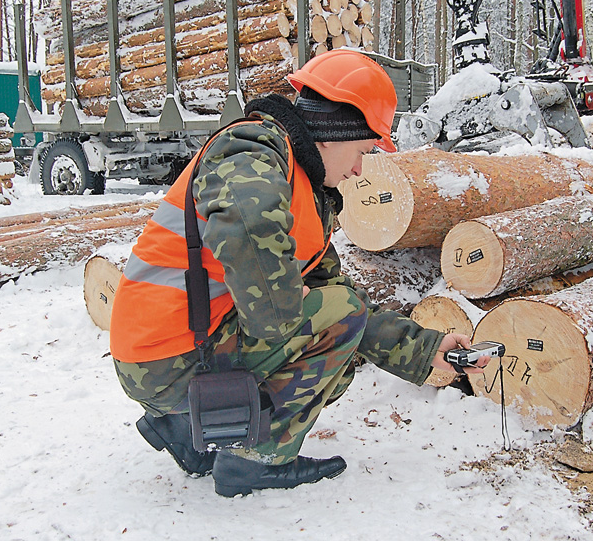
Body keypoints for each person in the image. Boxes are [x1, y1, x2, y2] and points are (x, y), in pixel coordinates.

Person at [109, 49, 490, 498]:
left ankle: (180, 424)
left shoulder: (303, 187)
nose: (358, 170)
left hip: (165, 353)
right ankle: (255, 461)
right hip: (164, 356)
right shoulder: (252, 149)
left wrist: (426, 350)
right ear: (335, 131)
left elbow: (340, 301)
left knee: (341, 340)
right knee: (333, 325)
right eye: (363, 150)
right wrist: (283, 325)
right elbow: (248, 222)